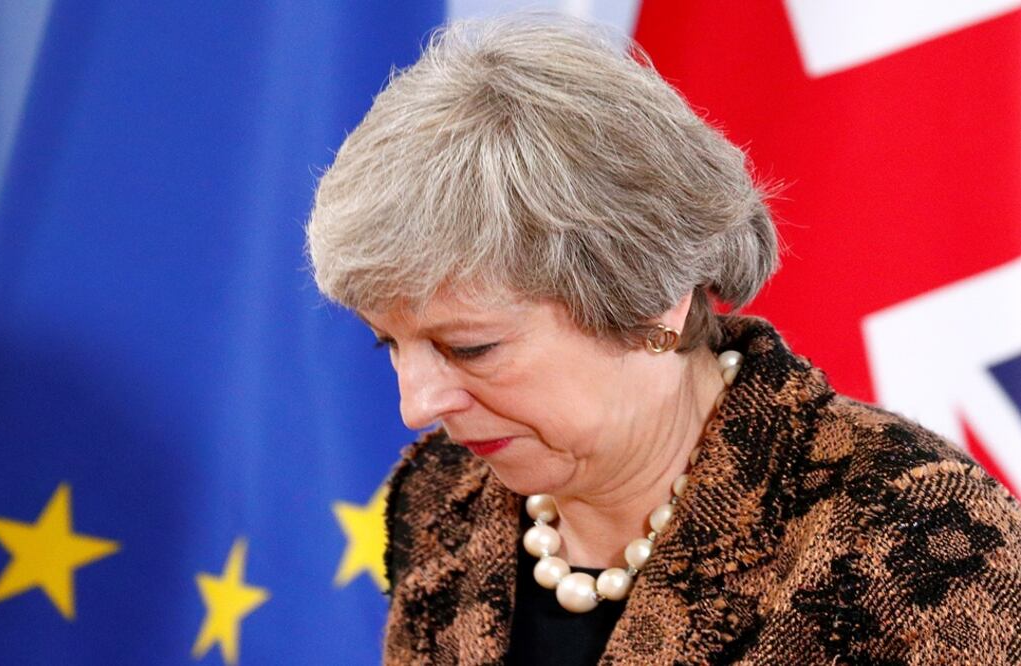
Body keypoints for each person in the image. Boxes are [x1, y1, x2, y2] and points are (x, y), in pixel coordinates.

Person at [306, 14, 1021, 665]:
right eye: (388, 345)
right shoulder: (439, 495)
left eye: (469, 348)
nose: (416, 404)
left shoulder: (919, 534)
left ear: (651, 300)